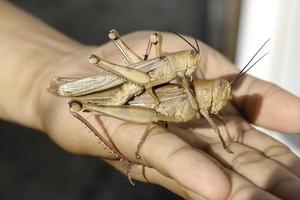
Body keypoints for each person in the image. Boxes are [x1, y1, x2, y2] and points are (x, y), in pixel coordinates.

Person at [1, 1, 300, 199]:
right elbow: (168, 96)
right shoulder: (184, 82)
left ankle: (75, 92)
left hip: (147, 92)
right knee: (128, 101)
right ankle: (81, 97)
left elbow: (208, 111)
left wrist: (38, 70)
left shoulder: (193, 89)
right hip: (136, 90)